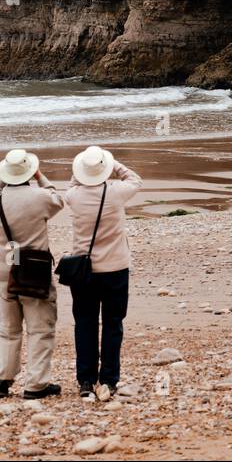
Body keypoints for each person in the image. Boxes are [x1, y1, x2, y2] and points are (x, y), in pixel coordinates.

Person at [64, 145, 142, 401]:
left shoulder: (74, 196)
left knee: (85, 323)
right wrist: (113, 163)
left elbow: (72, 184)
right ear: (104, 170)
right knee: (113, 324)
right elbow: (134, 179)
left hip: (84, 272)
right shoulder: (117, 192)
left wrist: (83, 170)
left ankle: (86, 379)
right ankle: (109, 379)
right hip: (115, 268)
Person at [0, 148, 64, 399]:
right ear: (30, 172)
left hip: (3, 268)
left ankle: (2, 381)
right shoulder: (40, 197)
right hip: (33, 269)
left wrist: (1, 176)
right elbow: (57, 198)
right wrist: (40, 176)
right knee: (40, 327)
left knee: (7, 327)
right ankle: (36, 384)